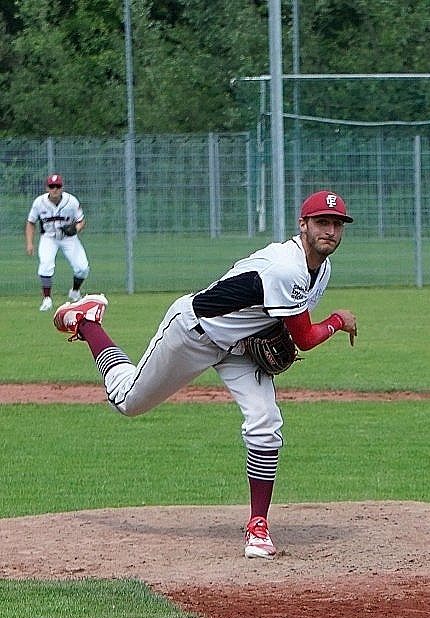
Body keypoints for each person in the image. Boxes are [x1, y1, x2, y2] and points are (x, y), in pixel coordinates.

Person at [49, 191, 358, 559]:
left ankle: (258, 526)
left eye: (337, 224)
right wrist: (338, 321)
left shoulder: (321, 269)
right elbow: (305, 338)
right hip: (195, 331)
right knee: (127, 401)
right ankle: (86, 320)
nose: (331, 230)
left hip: (240, 347)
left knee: (265, 422)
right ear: (302, 224)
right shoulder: (287, 266)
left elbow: (283, 323)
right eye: (322, 222)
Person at [25, 173, 90, 312]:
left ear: (62, 188)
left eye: (58, 186)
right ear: (47, 188)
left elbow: (81, 220)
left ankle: (75, 291)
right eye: (52, 186)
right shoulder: (39, 202)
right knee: (46, 265)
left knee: (83, 268)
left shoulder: (71, 201)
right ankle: (47, 299)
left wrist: (76, 228)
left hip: (68, 238)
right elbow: (31, 223)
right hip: (49, 237)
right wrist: (30, 243)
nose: (55, 189)